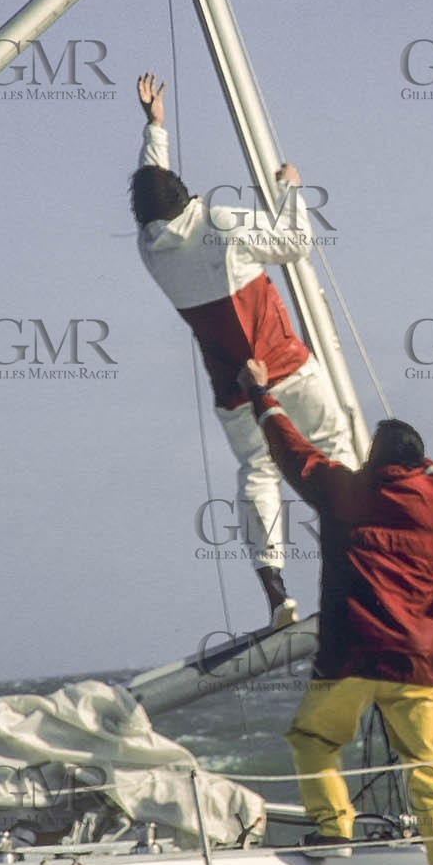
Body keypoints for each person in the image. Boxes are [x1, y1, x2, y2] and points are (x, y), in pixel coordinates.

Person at [242, 359, 433, 865]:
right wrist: (420, 463)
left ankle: (335, 828)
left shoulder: (343, 491)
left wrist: (261, 395)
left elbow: (290, 449)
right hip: (418, 664)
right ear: (420, 465)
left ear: (373, 459)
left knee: (313, 736)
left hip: (349, 657)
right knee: (430, 772)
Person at [129, 72, 355, 629]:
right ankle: (355, 551)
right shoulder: (221, 222)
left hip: (234, 389)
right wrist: (290, 190)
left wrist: (154, 128)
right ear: (187, 198)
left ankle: (275, 587)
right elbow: (294, 244)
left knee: (258, 472)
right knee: (334, 444)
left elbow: (152, 185)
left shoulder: (149, 248)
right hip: (286, 367)